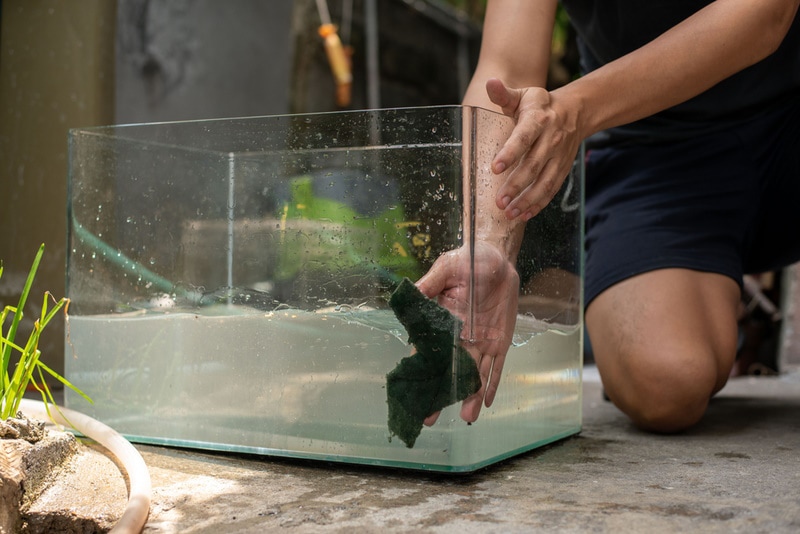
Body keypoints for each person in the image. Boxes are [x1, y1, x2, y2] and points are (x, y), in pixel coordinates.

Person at [416, 0, 800, 432]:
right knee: (666, 383)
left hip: (788, 111)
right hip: (655, 146)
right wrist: (487, 244)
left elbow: (765, 14)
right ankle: (709, 297)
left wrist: (578, 108)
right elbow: (505, 70)